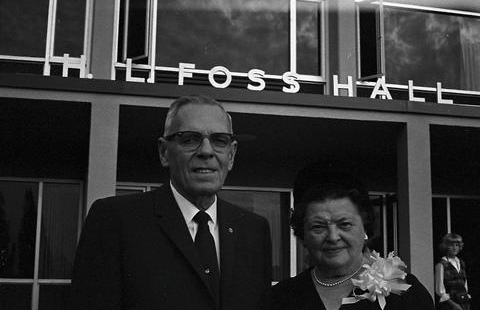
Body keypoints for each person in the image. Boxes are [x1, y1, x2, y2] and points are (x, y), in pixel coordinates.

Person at [69, 95, 272, 310]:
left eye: (219, 140)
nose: (206, 151)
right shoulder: (114, 220)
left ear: (231, 155)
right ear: (164, 152)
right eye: (190, 139)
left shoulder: (254, 230)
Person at [272, 168, 435, 310]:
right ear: (302, 236)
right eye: (318, 227)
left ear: (365, 228)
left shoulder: (404, 291)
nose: (333, 237)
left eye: (345, 224)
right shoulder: (281, 297)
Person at [435, 233, 471, 310]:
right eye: (451, 245)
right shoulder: (441, 265)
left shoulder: (461, 263)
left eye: (457, 245)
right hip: (450, 303)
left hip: (463, 301)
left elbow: (464, 284)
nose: (454, 248)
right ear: (446, 246)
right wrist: (453, 305)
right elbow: (439, 290)